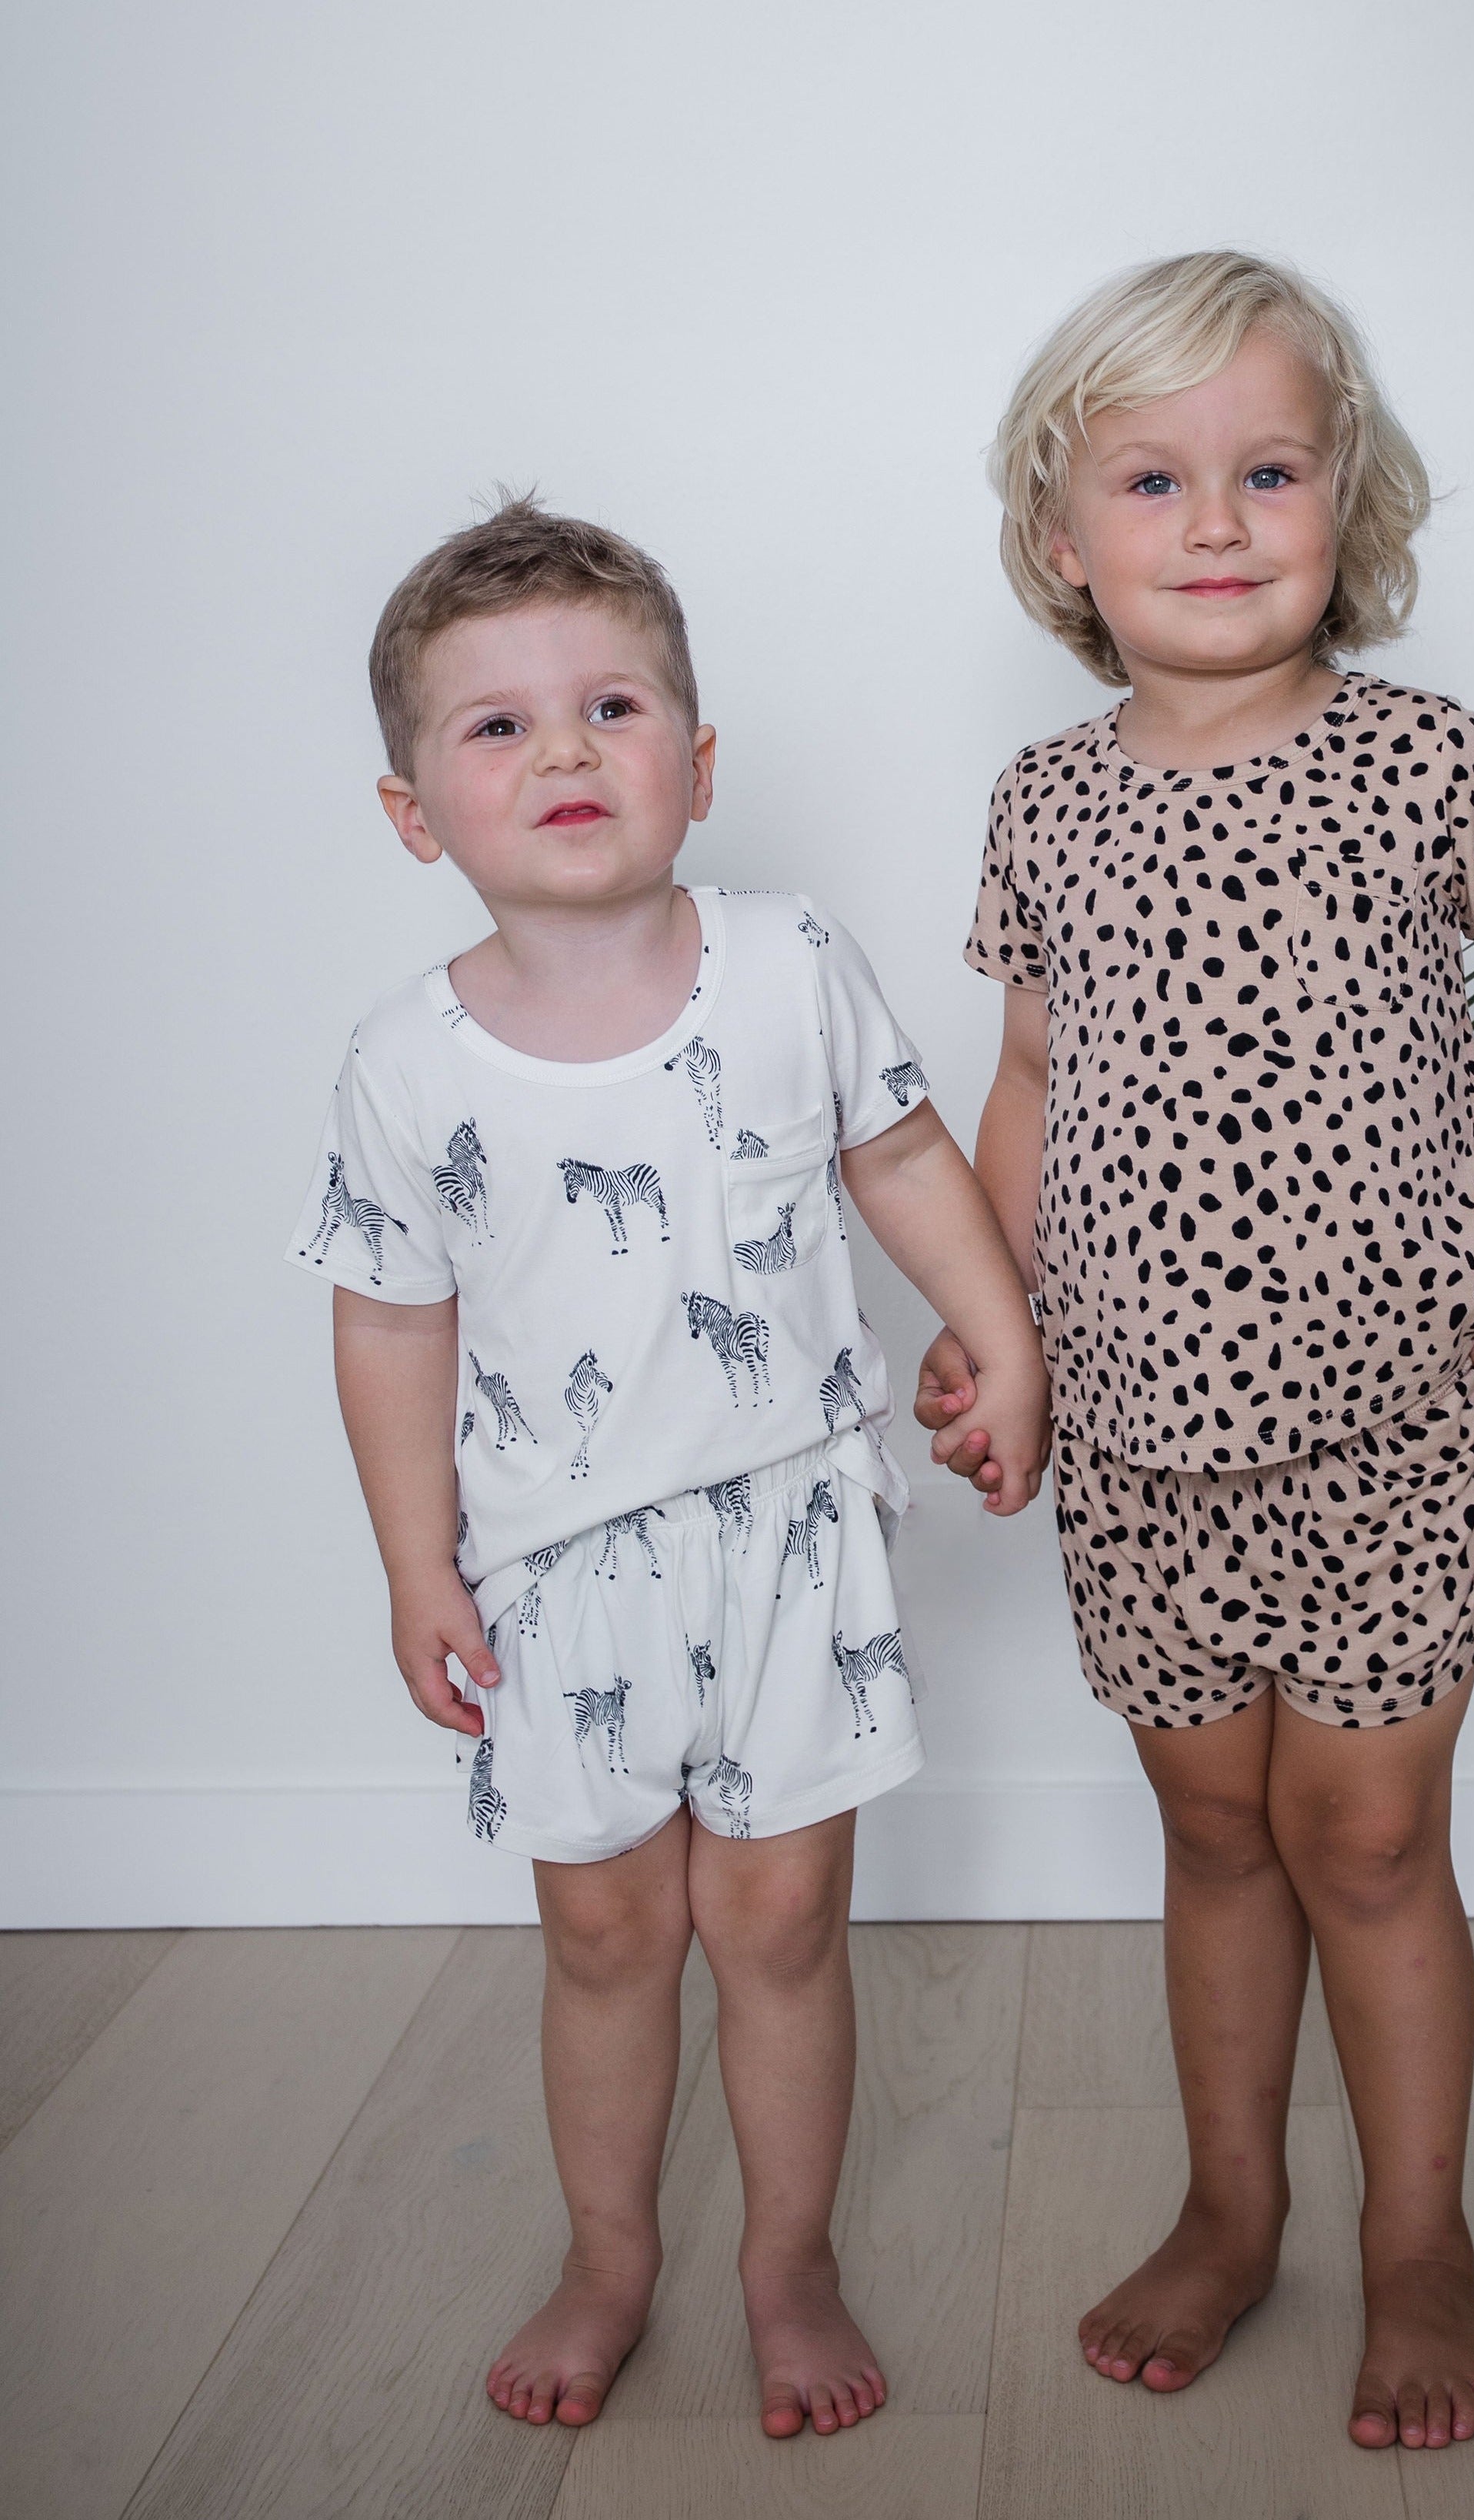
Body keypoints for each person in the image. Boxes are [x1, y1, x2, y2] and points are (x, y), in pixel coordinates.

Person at [916, 252, 1474, 2452]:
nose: (1217, 521)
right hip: (1141, 1444)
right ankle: (1235, 2206)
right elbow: (1029, 1080)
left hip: (1387, 1425)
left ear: (1352, 503)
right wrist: (998, 1331)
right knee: (1216, 1832)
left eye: (1271, 471)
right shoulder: (1047, 800)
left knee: (1370, 1841)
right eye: (1154, 479)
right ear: (1065, 538)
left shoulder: (1423, 759)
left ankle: (1421, 2240)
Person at [288, 496, 1047, 2438]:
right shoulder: (403, 1066)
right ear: (413, 815)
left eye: (610, 707)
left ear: (696, 767)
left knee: (779, 1927)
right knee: (608, 1934)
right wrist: (414, 1563)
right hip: (556, 1571)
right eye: (499, 725)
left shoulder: (789, 966)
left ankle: (789, 2261)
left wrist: (1007, 1333)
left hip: (789, 1534)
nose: (564, 748)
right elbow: (391, 1324)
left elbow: (901, 1157)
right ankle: (608, 2255)